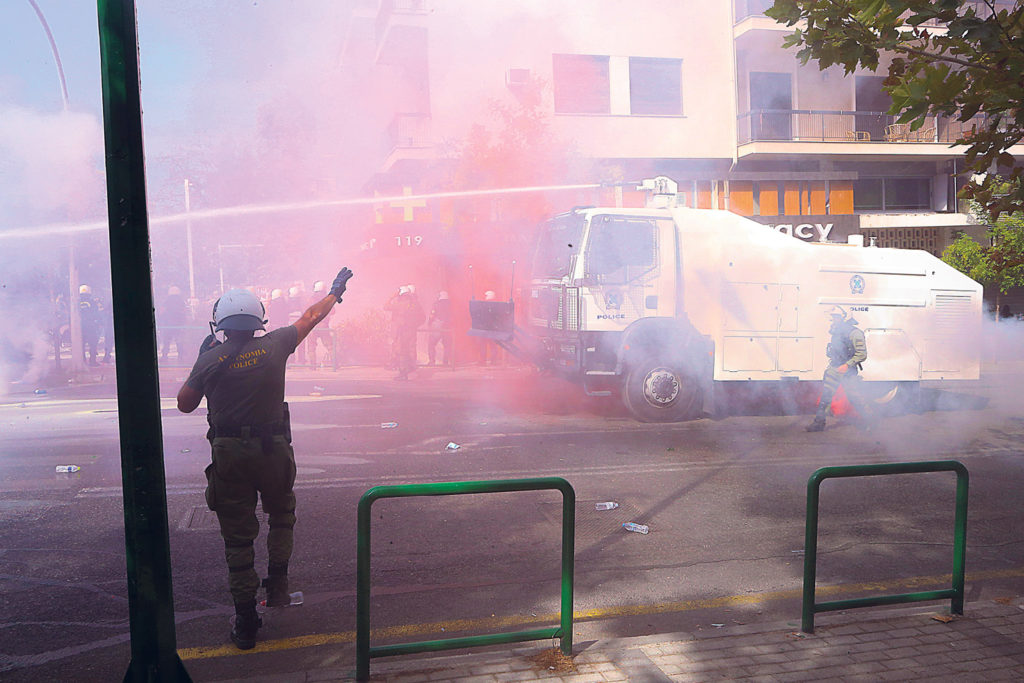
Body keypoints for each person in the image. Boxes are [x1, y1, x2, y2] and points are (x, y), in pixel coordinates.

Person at [176, 267, 353, 650]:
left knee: (238, 539)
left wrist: (204, 361)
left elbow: (184, 405)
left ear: (220, 323)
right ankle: (278, 585)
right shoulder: (275, 345)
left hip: (231, 456)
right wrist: (335, 292)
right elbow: (311, 317)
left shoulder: (211, 359)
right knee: (281, 515)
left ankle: (245, 621)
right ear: (258, 320)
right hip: (274, 450)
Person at [806, 305, 872, 432]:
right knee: (826, 397)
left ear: (844, 317)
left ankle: (870, 421)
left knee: (855, 397)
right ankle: (819, 423)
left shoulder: (855, 333)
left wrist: (847, 365)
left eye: (836, 317)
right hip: (834, 368)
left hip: (848, 371)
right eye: (833, 317)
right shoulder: (837, 331)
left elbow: (862, 354)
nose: (833, 319)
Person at [384, 284, 425, 380]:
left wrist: (393, 296)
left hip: (403, 331)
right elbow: (423, 317)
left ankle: (403, 374)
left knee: (401, 351)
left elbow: (385, 306)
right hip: (412, 330)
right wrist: (415, 325)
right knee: (411, 349)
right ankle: (412, 368)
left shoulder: (399, 304)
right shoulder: (415, 304)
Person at [159, 286, 189, 360]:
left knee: (166, 341)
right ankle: (180, 356)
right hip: (178, 325)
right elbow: (184, 313)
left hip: (168, 325)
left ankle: (164, 355)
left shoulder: (166, 301)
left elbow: (162, 312)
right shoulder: (181, 302)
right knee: (179, 341)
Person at [78, 284, 101, 367]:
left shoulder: (77, 302)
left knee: (81, 345)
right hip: (91, 326)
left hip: (80, 327)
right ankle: (92, 361)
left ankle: (83, 362)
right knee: (93, 344)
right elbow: (96, 314)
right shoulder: (92, 302)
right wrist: (98, 323)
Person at [427, 290, 452, 366]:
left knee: (431, 344)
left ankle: (432, 361)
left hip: (437, 326)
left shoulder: (436, 304)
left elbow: (432, 315)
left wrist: (429, 322)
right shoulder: (451, 305)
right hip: (448, 326)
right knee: (447, 345)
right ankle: (445, 362)